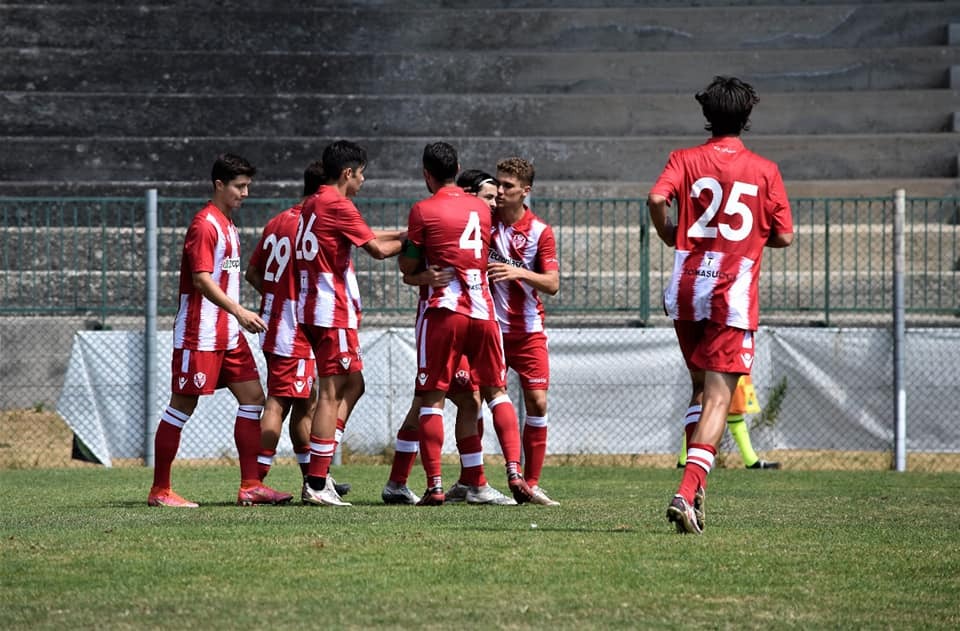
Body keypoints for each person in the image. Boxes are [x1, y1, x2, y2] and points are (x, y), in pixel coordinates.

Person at [648, 76, 794, 534]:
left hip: (687, 287)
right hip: (731, 292)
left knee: (698, 389)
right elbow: (785, 236)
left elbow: (656, 198)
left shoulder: (684, 159)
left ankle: (694, 489)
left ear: (706, 114)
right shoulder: (764, 169)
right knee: (718, 398)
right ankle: (687, 491)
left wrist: (668, 231)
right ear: (747, 116)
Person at [148, 153, 292, 508]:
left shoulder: (228, 223)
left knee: (253, 399)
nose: (245, 193)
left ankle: (250, 485)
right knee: (181, 407)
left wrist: (238, 317)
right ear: (219, 185)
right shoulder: (205, 224)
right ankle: (160, 491)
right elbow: (200, 280)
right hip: (200, 334)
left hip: (228, 334)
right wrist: (240, 310)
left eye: (247, 187)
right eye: (239, 187)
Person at [401, 142, 534, 505]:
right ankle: (514, 472)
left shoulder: (423, 210)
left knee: (432, 399)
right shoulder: (481, 208)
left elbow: (409, 266)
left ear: (426, 174)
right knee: (496, 392)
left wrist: (417, 272)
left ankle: (435, 485)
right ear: (458, 168)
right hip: (484, 311)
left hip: (444, 312)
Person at [382, 169, 514, 506]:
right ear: (467, 193)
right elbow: (408, 265)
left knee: (434, 402)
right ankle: (473, 482)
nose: (493, 202)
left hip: (458, 319)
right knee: (452, 401)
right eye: (487, 196)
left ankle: (408, 481)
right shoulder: (457, 217)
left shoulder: (466, 220)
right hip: (455, 317)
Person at [295, 140, 405, 507]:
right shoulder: (338, 204)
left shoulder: (314, 202)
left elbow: (370, 237)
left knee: (354, 384)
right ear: (348, 173)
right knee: (331, 393)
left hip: (313, 307)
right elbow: (377, 249)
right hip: (330, 311)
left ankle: (319, 469)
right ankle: (316, 481)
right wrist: (423, 238)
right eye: (361, 175)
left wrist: (406, 235)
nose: (362, 182)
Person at [244, 161, 351, 502]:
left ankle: (315, 478)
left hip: (275, 321)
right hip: (295, 327)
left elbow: (253, 273)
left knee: (305, 402)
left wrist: (276, 299)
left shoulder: (278, 221)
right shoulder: (311, 223)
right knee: (280, 402)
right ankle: (254, 481)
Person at [488, 157, 561, 506]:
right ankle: (477, 480)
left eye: (508, 186)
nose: (500, 191)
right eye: (498, 184)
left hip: (529, 330)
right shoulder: (483, 223)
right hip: (490, 329)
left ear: (525, 191)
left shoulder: (539, 232)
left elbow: (552, 283)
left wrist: (520, 273)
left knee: (538, 402)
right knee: (479, 401)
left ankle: (530, 483)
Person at [676, 375, 781, 470]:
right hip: (723, 364)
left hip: (732, 363)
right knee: (704, 410)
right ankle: (685, 460)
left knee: (732, 409)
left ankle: (685, 460)